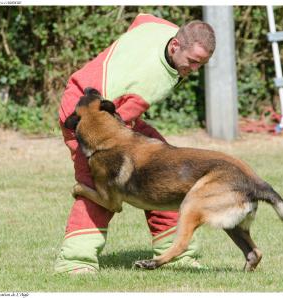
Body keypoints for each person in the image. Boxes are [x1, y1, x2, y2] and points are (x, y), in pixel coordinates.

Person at [55, 13, 216, 274]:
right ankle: (75, 262)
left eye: (202, 64)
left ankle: (176, 254)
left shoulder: (161, 29)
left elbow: (141, 20)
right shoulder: (150, 84)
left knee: (166, 171)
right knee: (100, 181)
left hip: (108, 106)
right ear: (175, 46)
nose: (194, 69)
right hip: (84, 114)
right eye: (193, 61)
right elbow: (115, 127)